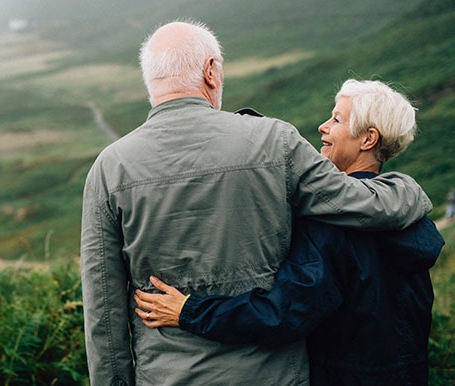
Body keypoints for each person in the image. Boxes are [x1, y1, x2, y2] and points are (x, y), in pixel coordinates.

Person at [80, 20, 434, 386]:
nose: (325, 127)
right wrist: (409, 191)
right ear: (211, 71)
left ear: (150, 80)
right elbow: (360, 203)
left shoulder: (109, 168)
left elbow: (102, 311)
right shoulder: (275, 142)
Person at [133, 79, 444, 385]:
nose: (323, 127)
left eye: (336, 119)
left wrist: (190, 311)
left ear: (368, 139)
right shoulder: (411, 217)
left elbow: (284, 313)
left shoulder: (334, 225)